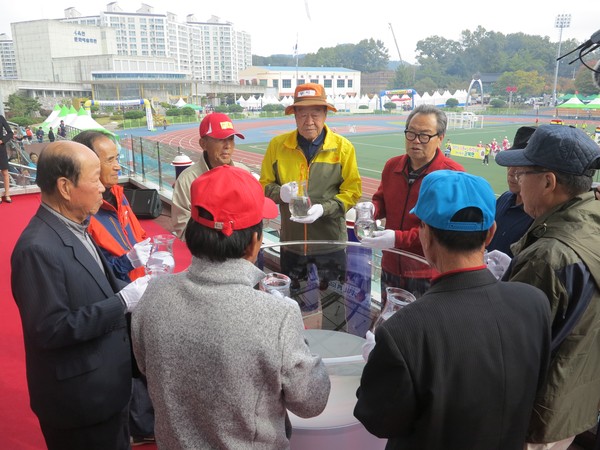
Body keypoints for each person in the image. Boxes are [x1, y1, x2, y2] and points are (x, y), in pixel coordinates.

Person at [131, 165, 331, 449]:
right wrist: (298, 337)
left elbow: (145, 366)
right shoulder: (276, 315)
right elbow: (311, 401)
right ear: (254, 241)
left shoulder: (153, 294)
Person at [354, 170, 551, 450]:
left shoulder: (403, 330)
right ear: (491, 232)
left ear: (426, 235)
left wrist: (377, 363)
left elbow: (377, 419)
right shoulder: (534, 302)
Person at [11, 141, 150, 450]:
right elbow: (50, 329)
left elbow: (94, 283)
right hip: (80, 403)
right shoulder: (37, 248)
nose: (104, 187)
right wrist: (123, 302)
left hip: (106, 390)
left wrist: (129, 264)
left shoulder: (75, 225)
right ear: (64, 186)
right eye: (94, 178)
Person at [495, 125, 600, 450]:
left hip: (535, 416)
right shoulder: (591, 219)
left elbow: (505, 351)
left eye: (523, 171)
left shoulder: (548, 258)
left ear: (548, 181)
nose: (515, 181)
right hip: (574, 400)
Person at [72, 130, 156, 446]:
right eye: (111, 160)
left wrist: (146, 254)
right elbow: (99, 271)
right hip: (119, 299)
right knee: (129, 364)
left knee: (141, 358)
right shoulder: (85, 212)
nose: (118, 166)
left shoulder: (117, 196)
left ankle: (144, 420)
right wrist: (129, 262)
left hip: (138, 289)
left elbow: (138, 237)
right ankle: (139, 424)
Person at [360, 104, 464, 305]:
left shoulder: (452, 175)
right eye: (411, 134)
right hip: (390, 266)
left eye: (424, 136)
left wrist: (397, 238)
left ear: (440, 138)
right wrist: (372, 208)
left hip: (426, 271)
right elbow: (382, 199)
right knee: (388, 320)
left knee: (421, 330)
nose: (416, 141)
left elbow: (443, 230)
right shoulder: (392, 166)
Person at [260, 82, 362, 288]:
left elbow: (352, 192)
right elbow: (263, 186)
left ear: (325, 114)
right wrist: (281, 193)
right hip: (292, 244)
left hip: (330, 245)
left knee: (333, 306)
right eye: (302, 114)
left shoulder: (343, 148)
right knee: (292, 302)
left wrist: (323, 209)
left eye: (315, 113)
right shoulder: (278, 146)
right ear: (294, 115)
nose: (309, 121)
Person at [171, 112, 249, 239]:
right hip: (205, 255)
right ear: (203, 144)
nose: (228, 145)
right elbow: (183, 229)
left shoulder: (244, 173)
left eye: (231, 139)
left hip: (242, 251)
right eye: (220, 139)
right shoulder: (187, 180)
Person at [486, 126, 536, 257]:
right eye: (510, 163)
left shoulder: (540, 216)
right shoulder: (505, 198)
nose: (511, 172)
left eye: (521, 165)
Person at [0, 114, 14, 204]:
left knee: (5, 172)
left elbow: (10, 133)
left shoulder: (1, 118)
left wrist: (2, 141)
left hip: (1, 148)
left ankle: (7, 194)